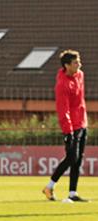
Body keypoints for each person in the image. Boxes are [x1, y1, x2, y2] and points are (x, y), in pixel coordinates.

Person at [42, 50, 89, 202]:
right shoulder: (62, 85)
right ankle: (49, 186)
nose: (79, 64)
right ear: (67, 66)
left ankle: (72, 193)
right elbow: (63, 110)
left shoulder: (80, 75)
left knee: (78, 159)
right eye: (76, 62)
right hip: (71, 127)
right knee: (71, 157)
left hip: (82, 123)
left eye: (79, 61)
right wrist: (68, 131)